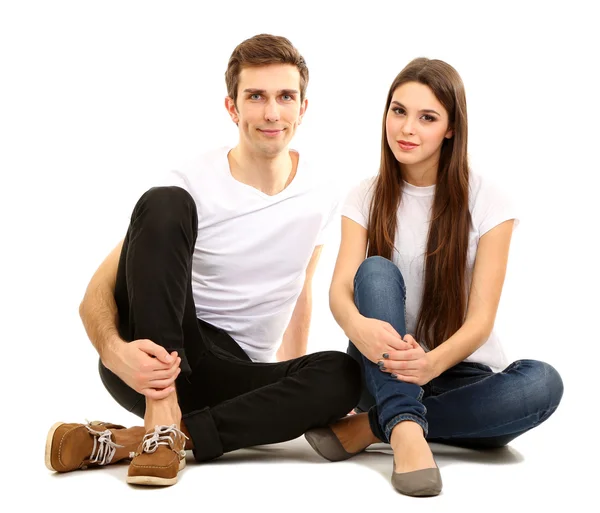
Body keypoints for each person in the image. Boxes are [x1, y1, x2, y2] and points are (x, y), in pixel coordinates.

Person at [45, 33, 361, 486]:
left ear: (302, 108)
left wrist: (300, 390)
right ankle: (160, 414)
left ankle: (139, 442)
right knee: (163, 202)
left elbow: (300, 289)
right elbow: (97, 293)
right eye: (256, 96)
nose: (272, 112)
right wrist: (115, 354)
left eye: (285, 96)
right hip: (162, 357)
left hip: (234, 375)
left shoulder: (322, 192)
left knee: (343, 375)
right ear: (232, 107)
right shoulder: (190, 181)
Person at [304, 57, 564, 497]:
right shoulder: (365, 194)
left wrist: (430, 365)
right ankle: (405, 426)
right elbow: (340, 289)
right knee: (375, 270)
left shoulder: (488, 199)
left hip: (457, 372)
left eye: (427, 118)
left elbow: (481, 321)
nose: (407, 128)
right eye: (398, 110)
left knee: (544, 383)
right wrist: (357, 328)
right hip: (383, 366)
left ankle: (372, 426)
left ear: (450, 128)